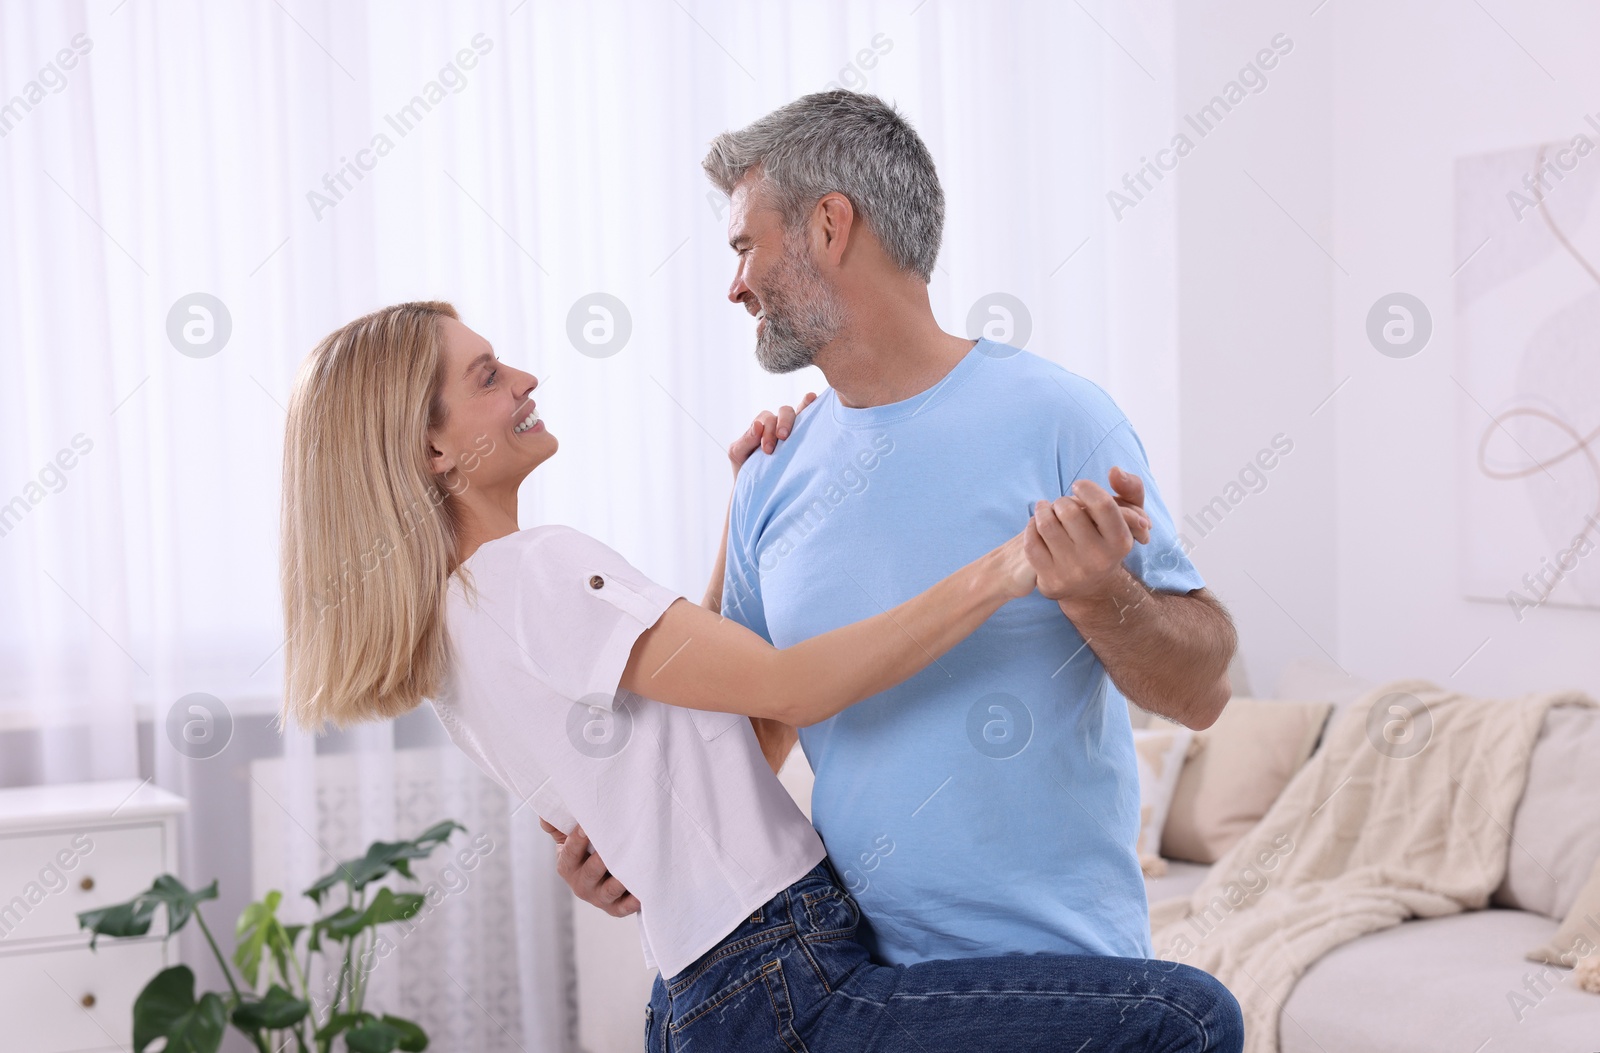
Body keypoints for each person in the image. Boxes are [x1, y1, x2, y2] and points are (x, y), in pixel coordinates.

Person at [277, 300, 1244, 1051]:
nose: (525, 378)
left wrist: (746, 515)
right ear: (431, 448)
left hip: (703, 996)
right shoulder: (540, 568)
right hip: (784, 980)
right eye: (488, 376)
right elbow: (788, 688)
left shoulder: (458, 632)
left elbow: (694, 725)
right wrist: (1010, 564)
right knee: (1185, 1019)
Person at [557, 89, 1243, 1035]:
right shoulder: (771, 473)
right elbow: (748, 735)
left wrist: (1101, 595)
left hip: (1062, 980)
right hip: (852, 986)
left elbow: (1203, 687)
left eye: (743, 247)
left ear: (830, 225)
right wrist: (638, 843)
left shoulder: (1057, 418)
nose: (735, 284)